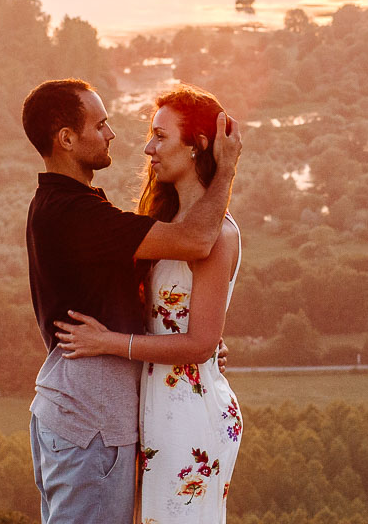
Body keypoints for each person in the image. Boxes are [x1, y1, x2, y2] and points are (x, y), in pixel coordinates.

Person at [23, 78, 241, 524]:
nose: (117, 137)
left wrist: (191, 340)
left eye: (159, 136)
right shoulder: (74, 213)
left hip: (101, 412)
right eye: (101, 124)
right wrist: (227, 170)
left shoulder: (74, 206)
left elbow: (171, 309)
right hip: (92, 415)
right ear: (66, 139)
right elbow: (198, 239)